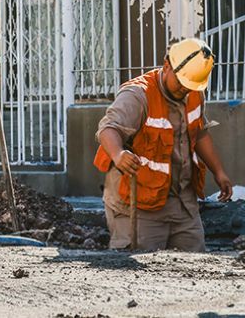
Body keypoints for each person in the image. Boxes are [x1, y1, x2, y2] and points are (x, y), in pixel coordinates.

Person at [93, 38, 234, 252]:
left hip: (182, 203)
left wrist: (219, 172)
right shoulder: (138, 95)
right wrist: (118, 154)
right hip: (139, 203)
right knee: (141, 275)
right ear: (167, 65)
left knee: (196, 268)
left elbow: (199, 133)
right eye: (181, 83)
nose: (185, 90)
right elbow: (108, 128)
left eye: (190, 86)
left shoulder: (193, 90)